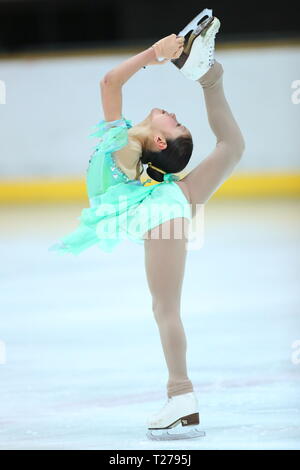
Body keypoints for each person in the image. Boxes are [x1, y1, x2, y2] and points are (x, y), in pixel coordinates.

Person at [49, 10, 245, 440]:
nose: (172, 113)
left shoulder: (120, 141)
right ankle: (209, 75)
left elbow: (109, 83)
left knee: (165, 308)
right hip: (162, 202)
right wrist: (157, 56)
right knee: (232, 147)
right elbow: (112, 83)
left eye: (174, 124)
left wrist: (154, 56)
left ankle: (182, 398)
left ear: (159, 142)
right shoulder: (121, 140)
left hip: (161, 211)